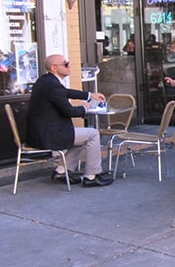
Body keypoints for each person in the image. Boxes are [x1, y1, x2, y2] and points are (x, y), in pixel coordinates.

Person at [26, 54, 113, 187]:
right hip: (49, 134)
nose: (69, 66)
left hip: (39, 132)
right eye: (65, 64)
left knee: (83, 136)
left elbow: (65, 92)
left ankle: (62, 171)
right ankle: (92, 176)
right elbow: (69, 111)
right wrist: (84, 107)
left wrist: (89, 95)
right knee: (93, 134)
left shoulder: (45, 81)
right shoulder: (53, 86)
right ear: (54, 68)